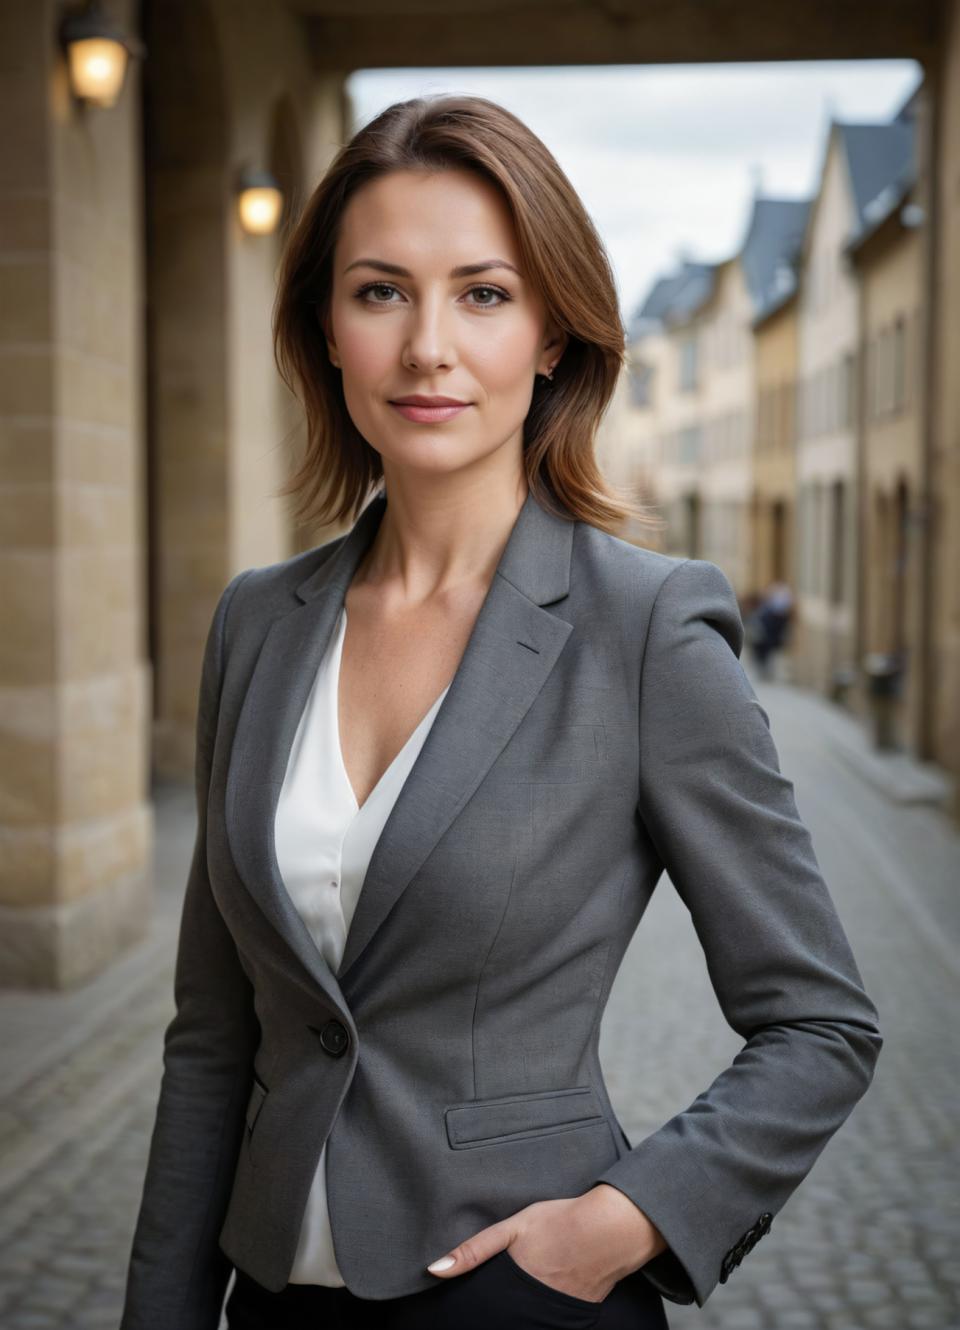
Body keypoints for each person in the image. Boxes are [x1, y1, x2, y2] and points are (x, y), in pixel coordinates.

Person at [119, 95, 882, 1330]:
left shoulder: (645, 629)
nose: (428, 347)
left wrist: (622, 1222)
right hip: (268, 1298)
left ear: (550, 335)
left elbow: (820, 1022)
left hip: (520, 1297)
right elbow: (214, 1039)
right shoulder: (256, 624)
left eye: (482, 293)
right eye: (380, 292)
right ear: (324, 328)